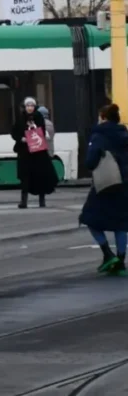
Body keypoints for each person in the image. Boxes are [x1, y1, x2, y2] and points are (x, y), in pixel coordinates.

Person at [81, 103, 128, 274]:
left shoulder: (99, 135)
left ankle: (108, 254)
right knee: (121, 223)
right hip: (124, 184)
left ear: (103, 118)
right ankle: (121, 262)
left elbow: (90, 161)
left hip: (105, 184)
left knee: (89, 218)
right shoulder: (124, 133)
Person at [11, 96, 57, 209]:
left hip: (38, 151)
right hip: (24, 152)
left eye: (32, 105)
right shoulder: (20, 118)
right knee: (25, 176)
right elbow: (14, 132)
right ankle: (24, 201)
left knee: (40, 175)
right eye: (28, 106)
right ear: (25, 107)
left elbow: (41, 129)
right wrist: (21, 138)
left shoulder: (39, 117)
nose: (30, 108)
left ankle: (42, 200)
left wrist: (34, 128)